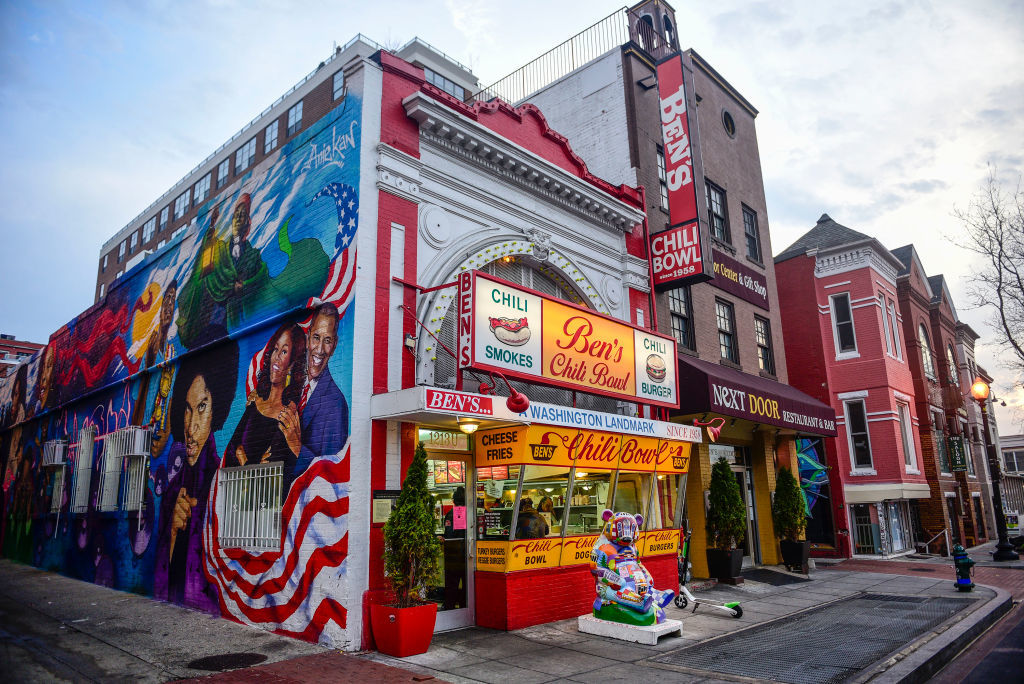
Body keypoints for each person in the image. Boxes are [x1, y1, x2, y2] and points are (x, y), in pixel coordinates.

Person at [154, 341, 238, 610]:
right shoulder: (171, 494)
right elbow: (159, 581)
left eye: (202, 407)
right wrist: (173, 535)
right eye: (188, 409)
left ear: (217, 410)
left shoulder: (223, 482)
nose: (191, 426)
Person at [224, 322, 305, 496]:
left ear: (291, 364)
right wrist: (249, 465)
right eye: (275, 349)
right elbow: (234, 445)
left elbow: (278, 469)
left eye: (284, 351)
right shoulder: (255, 402)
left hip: (265, 503)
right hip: (238, 497)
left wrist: (248, 462)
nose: (276, 357)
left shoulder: (288, 417)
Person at [278, 303, 349, 484]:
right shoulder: (291, 386)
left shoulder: (336, 404)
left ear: (334, 345)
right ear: (308, 339)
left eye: (327, 340)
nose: (319, 349)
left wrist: (296, 445)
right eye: (316, 338)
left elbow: (330, 474)